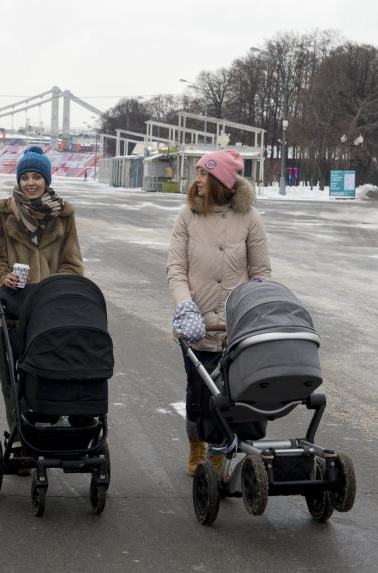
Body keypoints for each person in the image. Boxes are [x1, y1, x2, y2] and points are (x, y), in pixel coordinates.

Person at [166, 149, 271, 476]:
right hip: (197, 325)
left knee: (233, 393)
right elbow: (176, 267)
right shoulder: (187, 216)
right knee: (198, 394)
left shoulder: (250, 218)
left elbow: (261, 273)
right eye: (197, 173)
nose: (196, 180)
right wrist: (185, 305)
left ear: (221, 181)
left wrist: (248, 313)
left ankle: (222, 448)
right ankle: (198, 445)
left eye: (203, 174)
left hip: (233, 327)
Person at [0, 146, 84, 442]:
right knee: (12, 381)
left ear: (46, 180)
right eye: (24, 177)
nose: (30, 183)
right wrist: (4, 277)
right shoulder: (3, 212)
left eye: (36, 177)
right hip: (13, 313)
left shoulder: (64, 215)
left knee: (52, 377)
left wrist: (57, 289)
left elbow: (73, 263)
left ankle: (53, 433)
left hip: (53, 316)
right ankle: (20, 435)